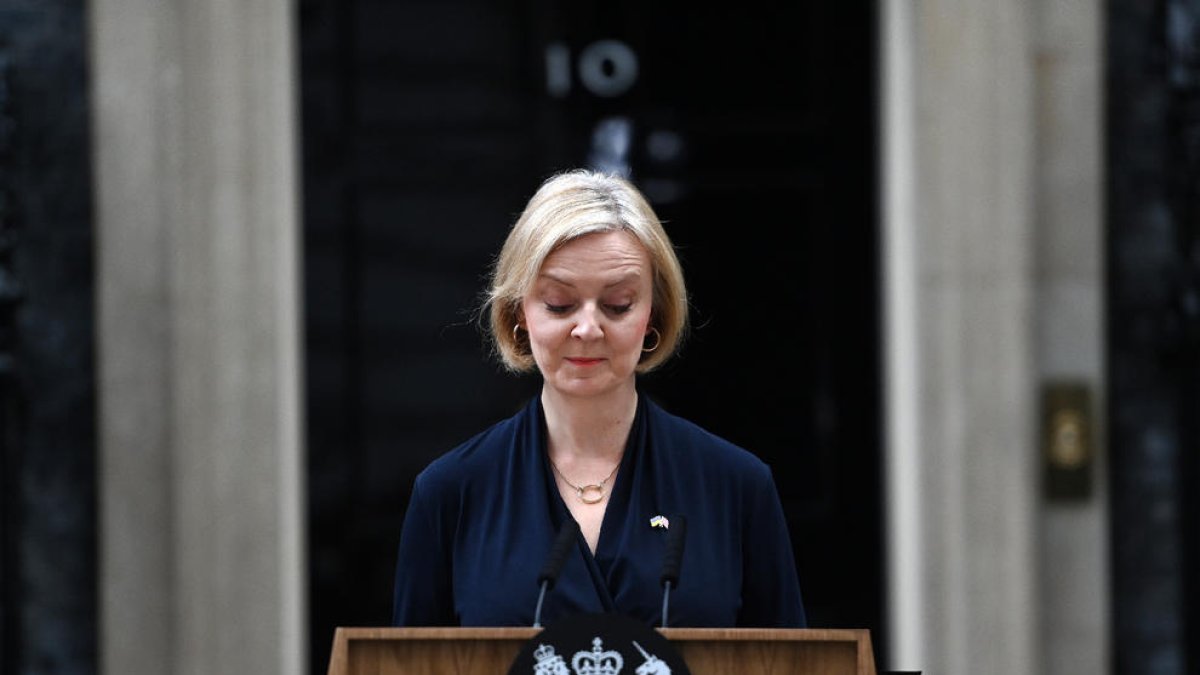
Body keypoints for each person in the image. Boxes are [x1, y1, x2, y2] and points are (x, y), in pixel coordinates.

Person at [391, 168, 806, 628]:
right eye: (558, 303)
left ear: (653, 315)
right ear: (518, 313)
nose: (587, 329)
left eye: (618, 304)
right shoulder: (451, 491)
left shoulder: (737, 486)